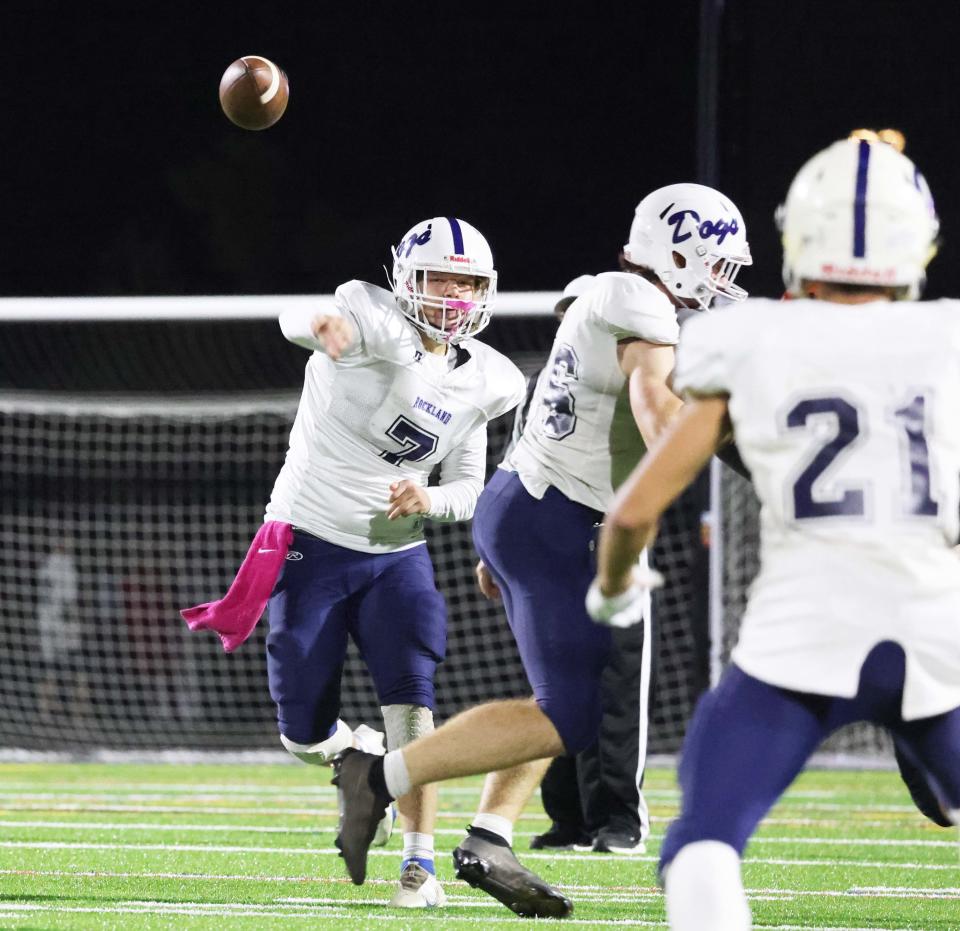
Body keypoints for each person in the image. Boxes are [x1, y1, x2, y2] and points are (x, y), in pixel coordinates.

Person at [332, 184, 752, 918]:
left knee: (565, 697)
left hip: (535, 505)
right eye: (713, 264)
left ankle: (488, 834)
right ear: (675, 255)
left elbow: (561, 403)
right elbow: (660, 419)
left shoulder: (612, 292)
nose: (722, 282)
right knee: (571, 714)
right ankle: (379, 774)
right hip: (555, 519)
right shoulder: (637, 304)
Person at [587, 134, 959, 930]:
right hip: (937, 637)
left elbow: (632, 512)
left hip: (801, 640)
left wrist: (614, 591)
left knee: (702, 853)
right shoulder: (949, 336)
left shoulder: (748, 335)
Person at [183, 216, 526, 908]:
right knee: (300, 731)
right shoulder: (371, 318)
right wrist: (319, 326)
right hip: (309, 542)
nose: (455, 296)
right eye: (441, 280)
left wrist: (427, 499)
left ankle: (419, 865)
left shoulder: (491, 379)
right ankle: (351, 753)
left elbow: (468, 487)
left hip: (396, 557)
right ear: (407, 279)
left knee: (414, 699)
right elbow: (297, 317)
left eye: (469, 283)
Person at [492, 274, 655, 856]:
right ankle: (569, 816)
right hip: (551, 537)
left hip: (607, 536)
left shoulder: (638, 369)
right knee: (555, 680)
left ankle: (618, 818)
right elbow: (519, 457)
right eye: (565, 311)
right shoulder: (548, 379)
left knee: (616, 675)